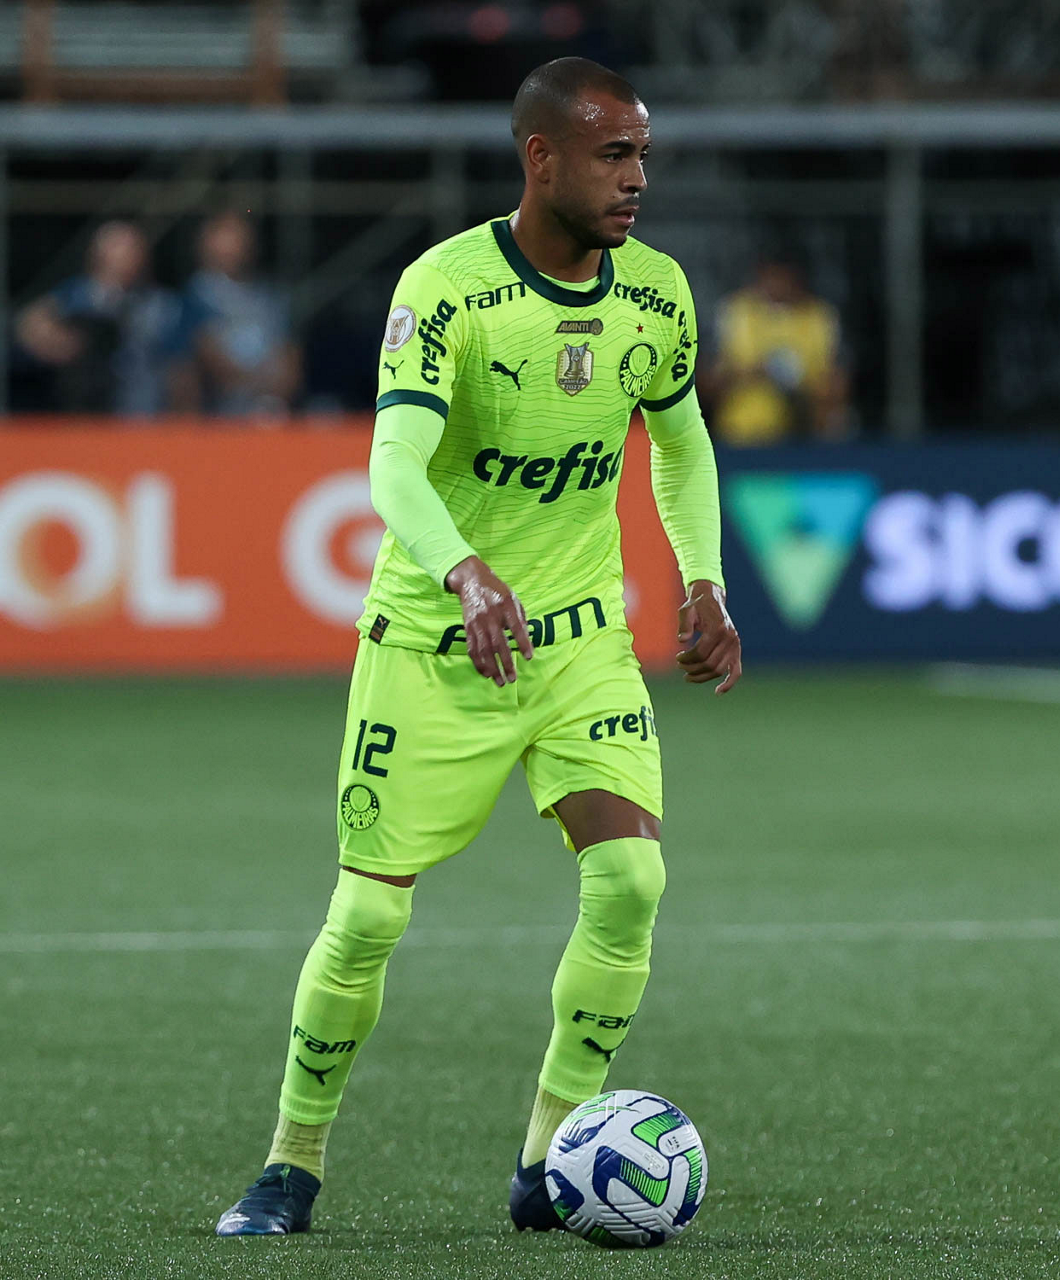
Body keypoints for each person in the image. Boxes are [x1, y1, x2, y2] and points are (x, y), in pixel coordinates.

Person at [215, 56, 742, 1238]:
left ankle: (545, 1156)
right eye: (612, 154)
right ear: (540, 157)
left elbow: (680, 442)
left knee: (631, 879)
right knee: (367, 918)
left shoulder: (656, 294)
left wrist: (702, 578)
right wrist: (462, 570)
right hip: (432, 644)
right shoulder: (447, 288)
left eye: (643, 154)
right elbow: (393, 462)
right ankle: (291, 1161)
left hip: (578, 644)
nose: (636, 178)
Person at [15, 221, 184, 415]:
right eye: (119, 247)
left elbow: (180, 366)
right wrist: (64, 344)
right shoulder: (79, 294)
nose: (128, 254)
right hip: (89, 409)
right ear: (97, 254)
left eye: (134, 247)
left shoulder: (162, 304)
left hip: (143, 410)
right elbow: (29, 323)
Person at [699, 252, 850, 444]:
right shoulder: (733, 313)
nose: (778, 285)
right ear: (760, 276)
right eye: (772, 277)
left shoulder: (821, 317)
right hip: (742, 438)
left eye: (785, 277)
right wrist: (753, 373)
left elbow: (839, 386)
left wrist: (800, 384)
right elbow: (705, 384)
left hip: (807, 439)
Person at [177, 212, 301, 417]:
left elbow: (290, 357)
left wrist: (274, 391)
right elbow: (206, 354)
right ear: (207, 245)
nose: (233, 247)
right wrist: (254, 383)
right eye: (225, 240)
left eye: (239, 239)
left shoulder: (272, 297)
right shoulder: (197, 296)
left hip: (270, 412)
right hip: (219, 414)